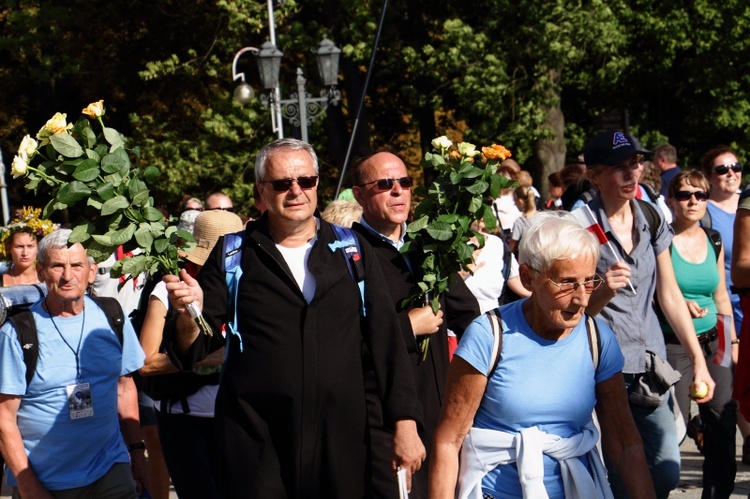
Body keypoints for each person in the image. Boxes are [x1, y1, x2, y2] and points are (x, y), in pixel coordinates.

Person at [164, 138, 425, 498]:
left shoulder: (353, 251)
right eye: (282, 183)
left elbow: (388, 344)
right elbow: (191, 350)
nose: (296, 191)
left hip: (342, 442)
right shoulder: (232, 254)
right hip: (257, 446)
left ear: (318, 185)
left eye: (306, 181)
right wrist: (188, 313)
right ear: (261, 193)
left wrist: (405, 425)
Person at [430, 214, 656, 498]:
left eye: (589, 281)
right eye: (567, 283)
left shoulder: (597, 338)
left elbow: (624, 441)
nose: (582, 299)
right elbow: (450, 440)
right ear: (528, 277)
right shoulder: (489, 335)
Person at [582, 130, 715, 498]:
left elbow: (669, 294)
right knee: (621, 473)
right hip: (603, 366)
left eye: (635, 163)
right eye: (619, 167)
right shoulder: (579, 226)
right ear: (595, 175)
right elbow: (574, 312)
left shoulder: (652, 216)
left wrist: (698, 361)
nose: (632, 174)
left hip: (649, 363)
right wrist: (604, 288)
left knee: (666, 469)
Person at [350, 151, 480, 498]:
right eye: (384, 184)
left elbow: (469, 317)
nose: (398, 192)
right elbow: (339, 343)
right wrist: (405, 326)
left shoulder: (428, 246)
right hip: (383, 416)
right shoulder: (347, 254)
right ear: (359, 194)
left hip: (440, 409)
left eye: (404, 183)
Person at [0, 229, 147, 498]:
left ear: (91, 272)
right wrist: (28, 486)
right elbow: (3, 418)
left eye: (76, 265)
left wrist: (136, 450)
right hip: (47, 481)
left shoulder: (112, 316)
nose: (68, 276)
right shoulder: (18, 333)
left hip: (110, 470)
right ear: (41, 272)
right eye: (58, 266)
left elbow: (124, 387)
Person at [139, 209, 243, 498]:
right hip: (186, 421)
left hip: (237, 417)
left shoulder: (247, 288)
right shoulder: (170, 289)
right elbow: (145, 364)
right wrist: (205, 359)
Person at [662, 170, 737, 498]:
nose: (693, 201)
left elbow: (721, 294)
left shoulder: (713, 238)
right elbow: (655, 291)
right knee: (670, 435)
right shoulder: (660, 239)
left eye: (700, 195)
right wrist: (682, 302)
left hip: (714, 339)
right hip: (673, 346)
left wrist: (732, 342)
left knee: (722, 431)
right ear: (671, 200)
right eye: (684, 194)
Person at [0, 207, 56, 287]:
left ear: (38, 248)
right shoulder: (1, 282)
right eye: (19, 246)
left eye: (30, 246)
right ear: (9, 248)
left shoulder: (49, 280)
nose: (25, 253)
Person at [509, 186, 539, 254]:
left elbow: (511, 247)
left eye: (515, 201)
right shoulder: (543, 217)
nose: (514, 204)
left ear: (520, 201)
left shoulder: (520, 222)